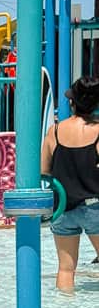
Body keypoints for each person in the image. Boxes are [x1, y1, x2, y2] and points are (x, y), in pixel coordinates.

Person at [41, 76, 99, 292]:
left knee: (66, 269)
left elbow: (43, 171)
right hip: (94, 206)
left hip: (62, 208)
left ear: (72, 102)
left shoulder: (54, 131)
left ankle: (64, 307)